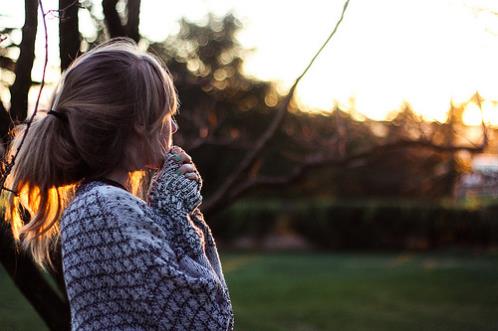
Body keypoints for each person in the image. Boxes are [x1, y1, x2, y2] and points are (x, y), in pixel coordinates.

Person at [3, 37, 234, 330]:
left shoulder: (105, 204)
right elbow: (209, 321)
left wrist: (184, 213)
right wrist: (174, 209)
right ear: (140, 121)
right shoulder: (105, 208)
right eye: (167, 115)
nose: (174, 127)